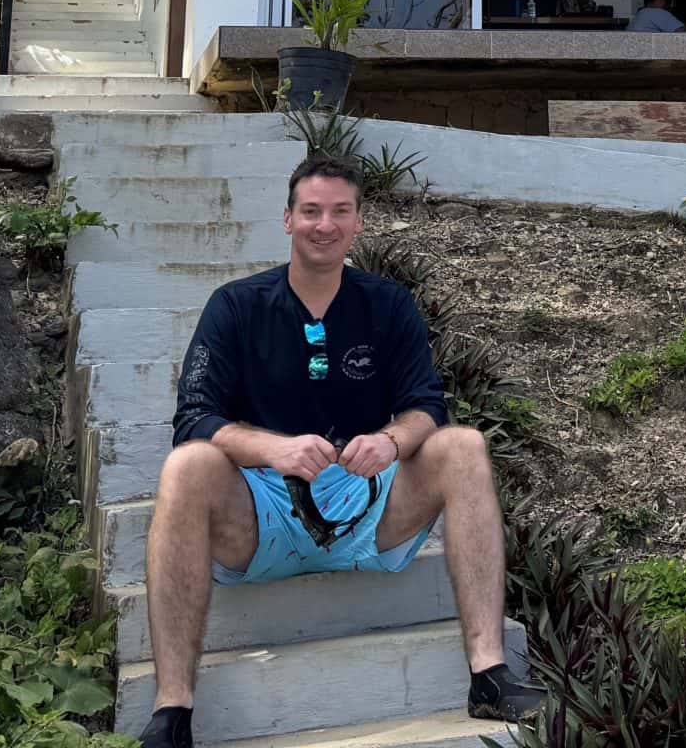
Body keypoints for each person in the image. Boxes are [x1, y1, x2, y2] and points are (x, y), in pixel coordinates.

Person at [135, 154, 546, 746]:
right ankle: (173, 709)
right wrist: (271, 449)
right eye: (310, 211)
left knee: (463, 446)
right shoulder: (236, 306)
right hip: (264, 511)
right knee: (187, 464)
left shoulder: (388, 304)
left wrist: (391, 440)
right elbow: (194, 418)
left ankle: (489, 673)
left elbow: (427, 403)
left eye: (339, 212)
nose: (323, 225)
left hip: (368, 504)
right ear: (286, 220)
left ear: (357, 223)